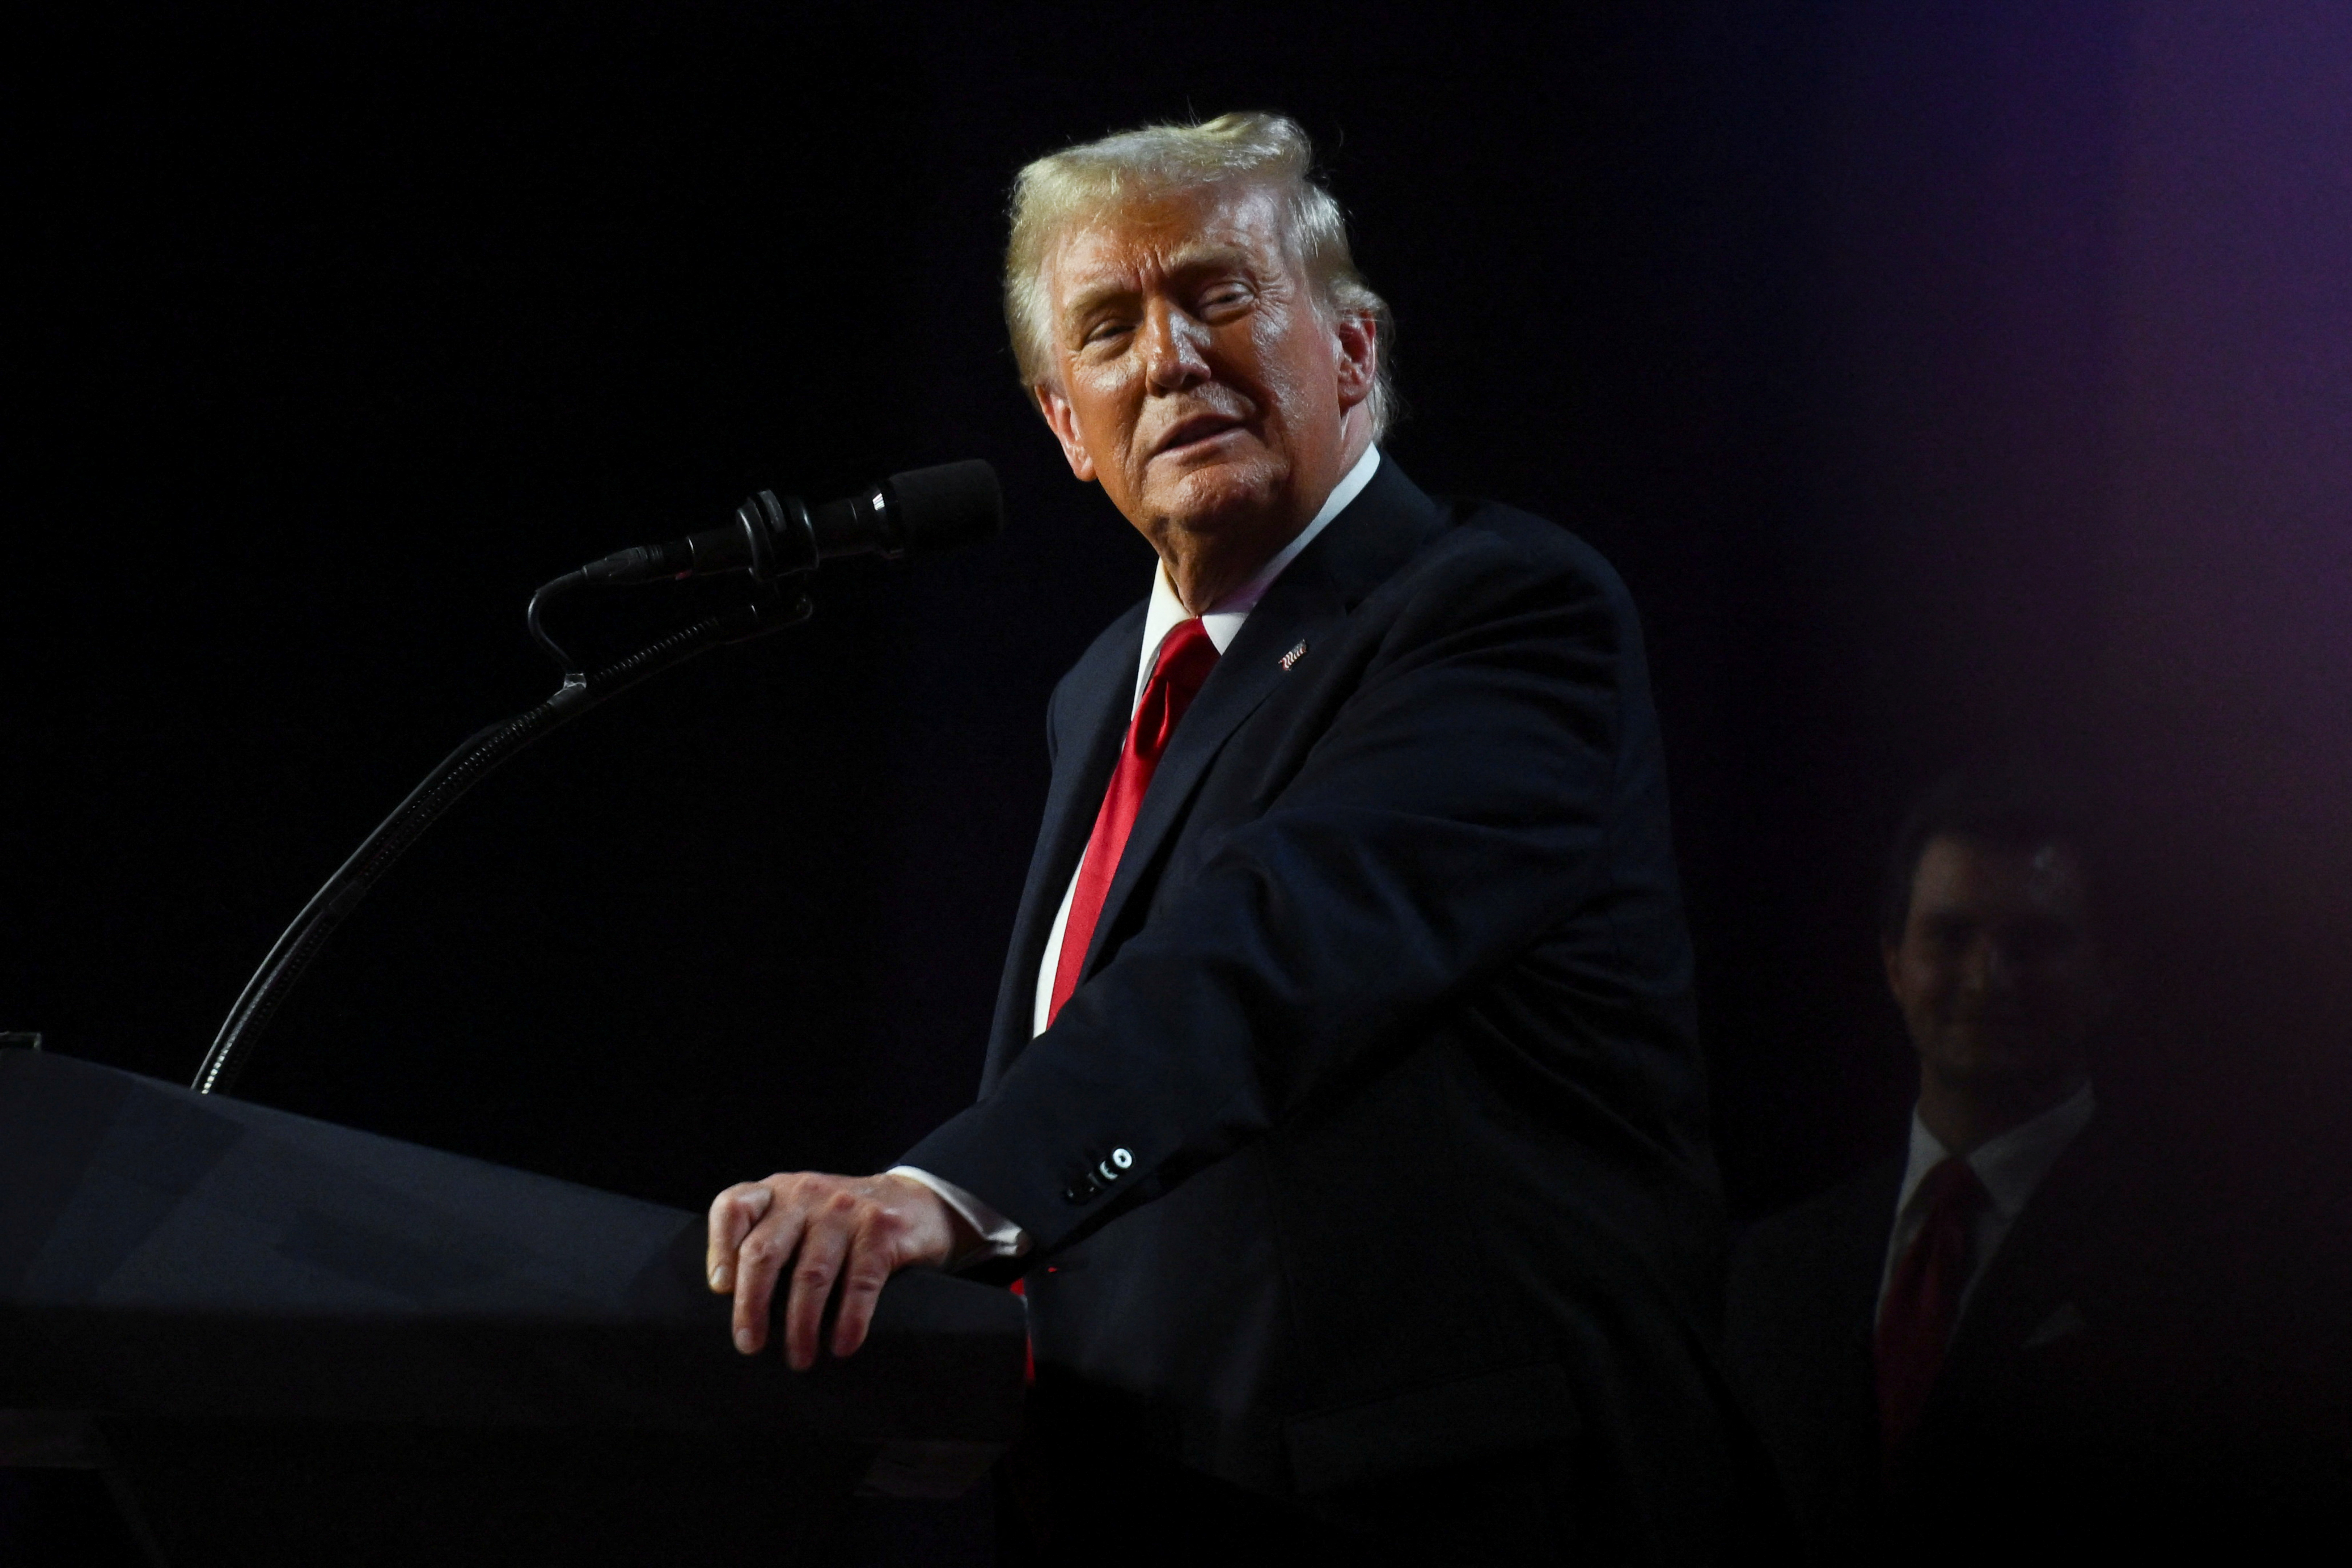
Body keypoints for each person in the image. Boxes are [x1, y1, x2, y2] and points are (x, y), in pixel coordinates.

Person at [706, 113, 1740, 1563]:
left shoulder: (1499, 613)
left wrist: (945, 1193)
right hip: (1151, 1498)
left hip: (1442, 1505)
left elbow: (1270, 947)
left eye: (1217, 295)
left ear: (1355, 353)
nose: (1170, 359)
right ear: (1065, 423)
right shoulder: (1094, 700)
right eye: (1110, 329)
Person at [1722, 766, 2340, 1561]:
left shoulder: (2224, 1270)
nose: (1989, 978)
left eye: (2035, 940)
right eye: (1950, 935)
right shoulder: (1775, 1272)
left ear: (2109, 974)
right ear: (1893, 964)